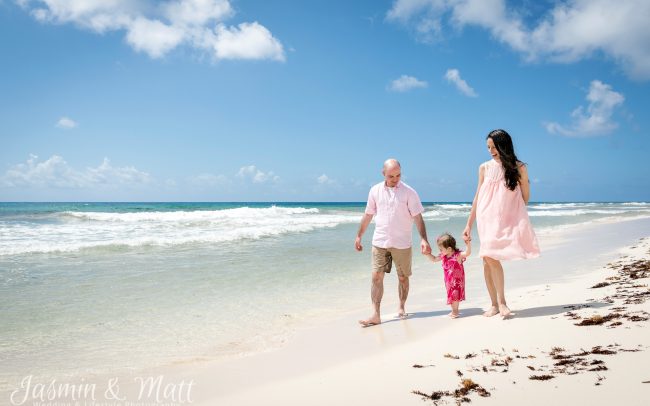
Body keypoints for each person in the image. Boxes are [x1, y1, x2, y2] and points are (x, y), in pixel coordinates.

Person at [462, 129, 540, 318]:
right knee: (488, 258)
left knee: (490, 259)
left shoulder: (519, 167)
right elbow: (477, 197)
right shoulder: (484, 168)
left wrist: (516, 213)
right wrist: (468, 224)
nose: (491, 151)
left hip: (506, 218)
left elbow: (525, 195)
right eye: (488, 147)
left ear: (504, 146)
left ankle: (500, 303)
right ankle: (496, 304)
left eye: (494, 147)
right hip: (485, 218)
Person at [355, 158, 431, 327]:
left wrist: (424, 239)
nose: (395, 179)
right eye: (391, 176)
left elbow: (417, 217)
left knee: (403, 278)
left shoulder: (409, 192)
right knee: (376, 277)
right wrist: (359, 236)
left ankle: (402, 305)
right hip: (380, 241)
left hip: (402, 242)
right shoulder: (375, 191)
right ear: (383, 174)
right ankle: (375, 314)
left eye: (398, 175)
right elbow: (368, 214)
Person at [425, 233, 471, 318]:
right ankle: (453, 310)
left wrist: (468, 243)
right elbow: (434, 259)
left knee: (455, 295)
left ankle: (455, 311)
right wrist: (427, 254)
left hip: (457, 281)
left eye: (441, 249)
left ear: (449, 249)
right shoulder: (444, 256)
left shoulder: (458, 255)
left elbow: (467, 253)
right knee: (450, 295)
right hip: (448, 282)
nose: (440, 251)